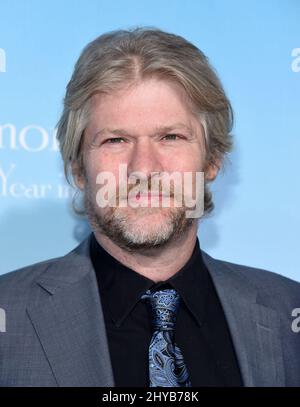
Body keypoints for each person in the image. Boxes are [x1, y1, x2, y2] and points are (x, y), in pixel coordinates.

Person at [0, 27, 299, 387]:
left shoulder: (287, 314)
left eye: (170, 137)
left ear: (212, 160)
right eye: (115, 139)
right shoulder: (9, 319)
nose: (143, 167)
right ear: (79, 168)